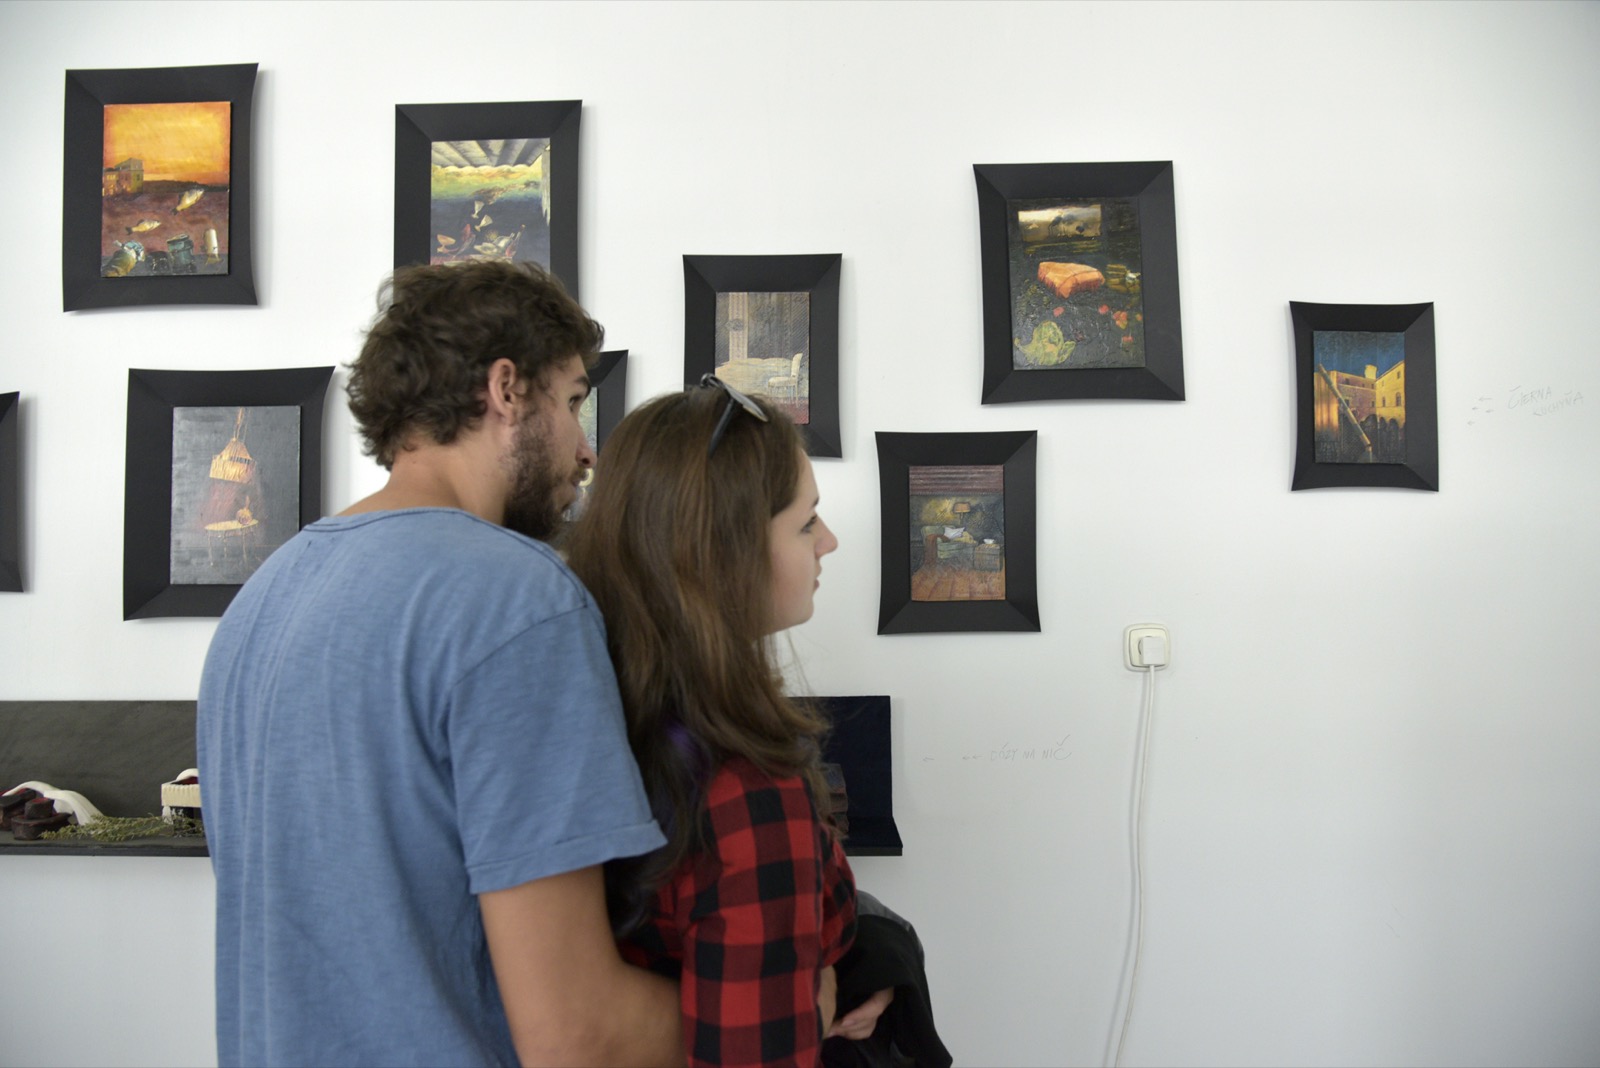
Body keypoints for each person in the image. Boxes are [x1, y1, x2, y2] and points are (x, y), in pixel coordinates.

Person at [197, 260, 681, 1067]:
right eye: (572, 402)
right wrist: (790, 1005)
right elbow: (578, 1035)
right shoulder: (520, 599)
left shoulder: (266, 596)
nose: (586, 450)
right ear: (506, 390)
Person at [565, 377, 863, 1068]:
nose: (829, 542)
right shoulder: (746, 793)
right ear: (725, 556)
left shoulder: (595, 716)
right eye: (806, 523)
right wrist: (818, 998)